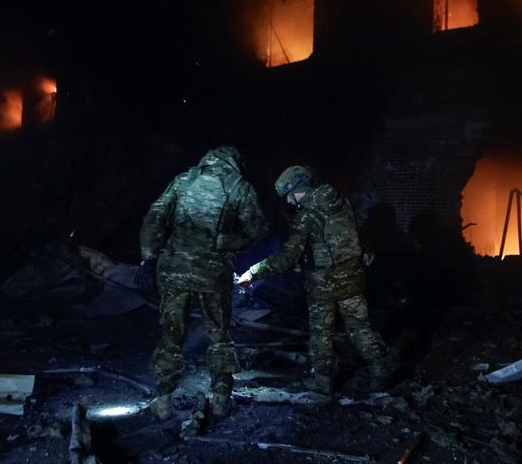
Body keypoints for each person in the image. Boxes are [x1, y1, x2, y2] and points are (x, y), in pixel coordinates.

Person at [237, 165, 392, 394]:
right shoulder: (341, 203)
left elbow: (287, 256)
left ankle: (323, 383)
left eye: (290, 196)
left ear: (299, 188)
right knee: (360, 328)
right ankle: (381, 371)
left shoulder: (307, 216)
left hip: (323, 284)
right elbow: (357, 238)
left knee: (321, 334)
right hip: (353, 278)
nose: (289, 202)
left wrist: (252, 272)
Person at [140, 146, 268, 420]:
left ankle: (162, 400)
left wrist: (148, 258)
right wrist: (229, 242)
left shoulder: (183, 180)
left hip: (174, 269)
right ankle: (221, 398)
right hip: (214, 273)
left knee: (171, 335)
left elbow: (155, 216)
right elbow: (258, 228)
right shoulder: (239, 187)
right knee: (219, 335)